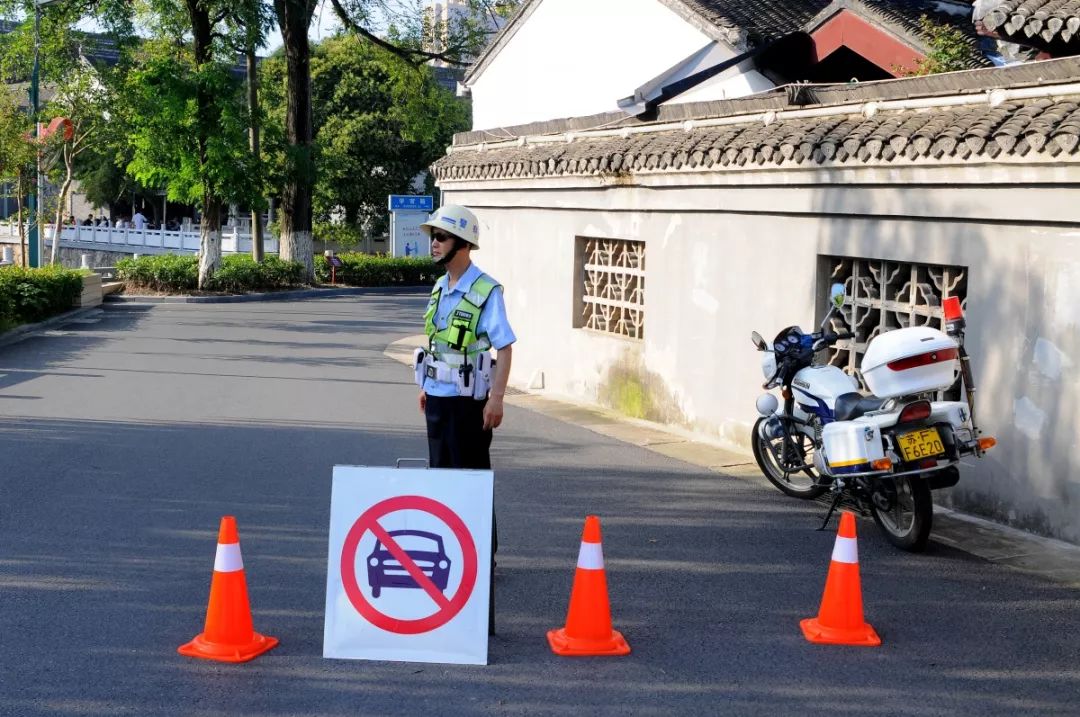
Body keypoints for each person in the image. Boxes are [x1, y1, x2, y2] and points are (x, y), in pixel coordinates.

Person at [415, 203, 514, 636]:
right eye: (432, 235)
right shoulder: (440, 286)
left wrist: (497, 397)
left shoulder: (486, 291)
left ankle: (484, 555)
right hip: (436, 397)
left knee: (472, 475)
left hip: (470, 402)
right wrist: (425, 383)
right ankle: (452, 549)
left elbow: (505, 347)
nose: (433, 242)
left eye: (441, 236)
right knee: (441, 477)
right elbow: (437, 340)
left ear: (463, 243)